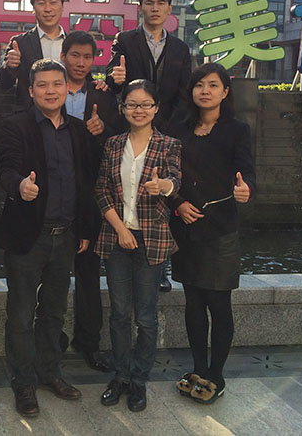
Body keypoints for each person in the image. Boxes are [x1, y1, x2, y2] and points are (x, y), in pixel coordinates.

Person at [0, 59, 98, 417]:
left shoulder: (78, 130)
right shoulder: (14, 126)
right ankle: (23, 381)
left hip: (66, 234)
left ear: (66, 88)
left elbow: (86, 181)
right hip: (29, 234)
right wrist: (19, 186)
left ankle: (50, 371)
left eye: (57, 84)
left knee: (54, 310)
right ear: (31, 90)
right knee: (21, 313)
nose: (50, 91)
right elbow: (5, 168)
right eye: (42, 85)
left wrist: (85, 229)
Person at [168, 63, 255, 405]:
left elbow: (246, 172)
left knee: (218, 303)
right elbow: (167, 175)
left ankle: (216, 375)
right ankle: (198, 368)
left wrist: (246, 189)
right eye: (199, 85)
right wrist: (177, 203)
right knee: (193, 302)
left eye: (213, 85)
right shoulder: (179, 129)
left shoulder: (237, 130)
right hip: (186, 227)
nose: (205, 91)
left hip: (219, 229)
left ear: (225, 91)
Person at [93, 79, 181, 413]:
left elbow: (176, 181)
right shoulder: (113, 144)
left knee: (145, 316)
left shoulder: (169, 144)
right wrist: (119, 228)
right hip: (117, 237)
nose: (138, 110)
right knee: (118, 313)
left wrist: (164, 186)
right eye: (132, 104)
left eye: (145, 104)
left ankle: (139, 380)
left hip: (151, 240)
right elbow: (101, 189)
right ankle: (120, 376)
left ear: (156, 108)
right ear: (123, 108)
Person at [105, 0, 192, 292]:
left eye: (161, 3)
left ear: (169, 8)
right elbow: (113, 78)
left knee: (163, 200)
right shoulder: (125, 40)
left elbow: (185, 95)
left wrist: (165, 129)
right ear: (140, 7)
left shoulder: (181, 48)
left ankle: (160, 268)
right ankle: (122, 259)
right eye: (149, 3)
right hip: (130, 131)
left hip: (165, 134)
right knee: (128, 195)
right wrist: (114, 77)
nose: (155, 9)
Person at [60, 30, 124, 372]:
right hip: (53, 192)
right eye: (75, 55)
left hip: (89, 193)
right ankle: (50, 339)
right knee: (50, 272)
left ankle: (89, 341)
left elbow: (118, 141)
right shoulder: (49, 87)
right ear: (63, 56)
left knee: (88, 273)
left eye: (87, 57)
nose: (81, 62)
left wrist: (103, 131)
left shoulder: (103, 96)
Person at [0, 0, 67, 111]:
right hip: (30, 118)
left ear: (62, 6)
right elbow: (3, 84)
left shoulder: (71, 44)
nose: (48, 9)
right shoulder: (20, 43)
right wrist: (10, 67)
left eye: (53, 2)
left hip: (67, 118)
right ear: (33, 8)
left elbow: (82, 80)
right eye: (41, 3)